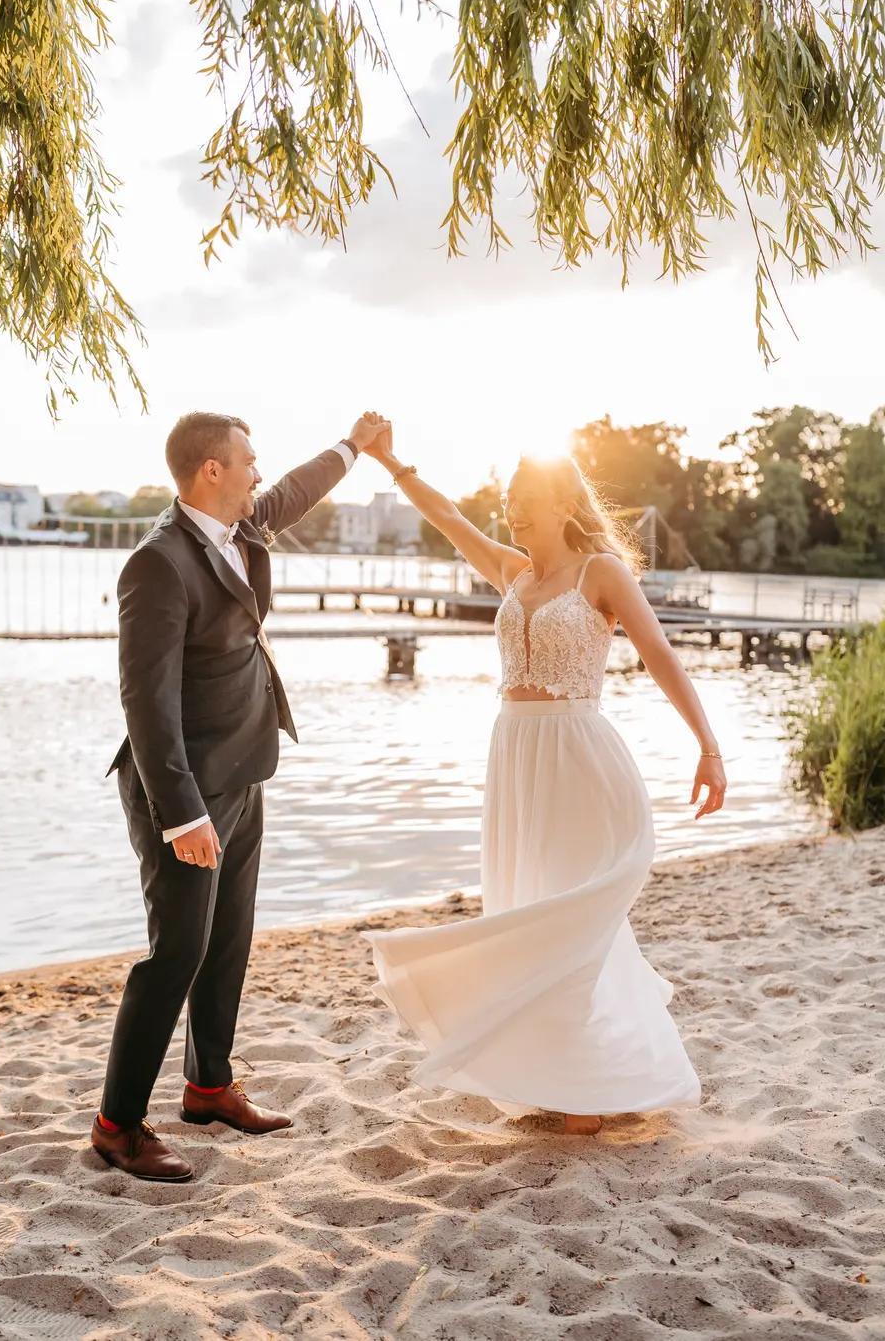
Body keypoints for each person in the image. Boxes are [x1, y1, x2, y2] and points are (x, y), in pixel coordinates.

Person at [363, 424, 726, 1135]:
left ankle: (581, 1093)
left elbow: (659, 655)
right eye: (509, 497)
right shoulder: (512, 571)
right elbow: (446, 517)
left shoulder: (601, 574)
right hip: (515, 757)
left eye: (527, 498)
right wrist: (388, 460)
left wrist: (708, 747)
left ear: (564, 502)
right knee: (526, 908)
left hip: (577, 757)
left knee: (567, 917)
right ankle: (573, 1078)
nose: (513, 509)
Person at [93, 409, 388, 1181]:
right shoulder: (157, 564)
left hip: (245, 768)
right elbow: (144, 699)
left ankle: (208, 1087)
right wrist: (182, 811)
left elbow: (296, 490)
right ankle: (116, 1125)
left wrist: (354, 446)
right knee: (177, 952)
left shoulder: (244, 523)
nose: (259, 472)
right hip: (183, 789)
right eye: (247, 460)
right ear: (209, 470)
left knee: (228, 940)